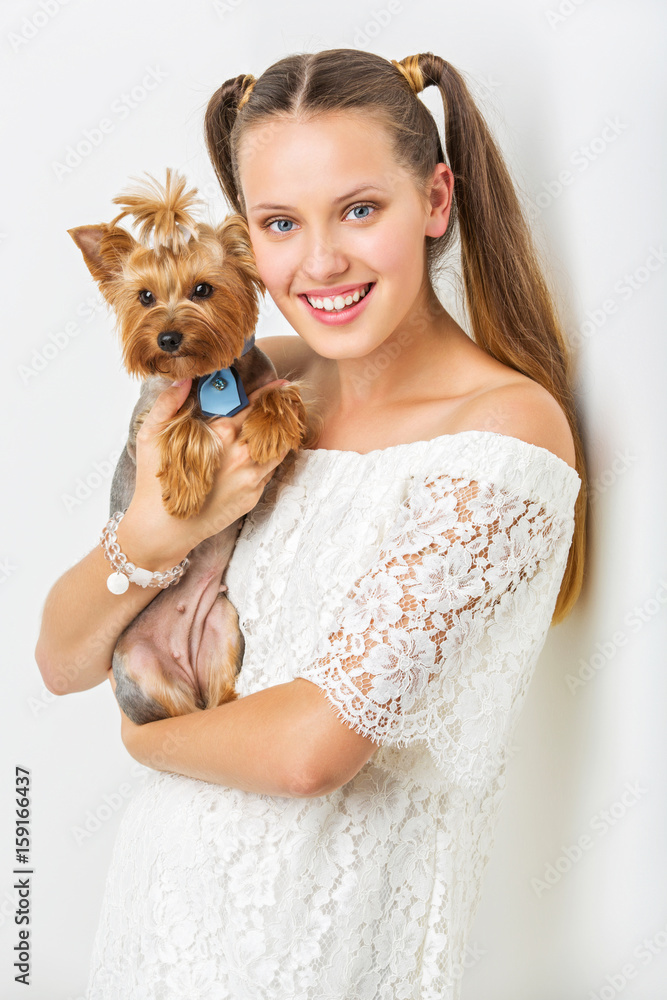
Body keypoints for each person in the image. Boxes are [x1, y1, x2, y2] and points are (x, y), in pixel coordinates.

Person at [35, 48, 587, 999]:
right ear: (245, 238)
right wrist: (159, 535)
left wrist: (142, 741)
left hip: (320, 955)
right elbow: (62, 660)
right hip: (152, 924)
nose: (320, 261)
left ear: (437, 202)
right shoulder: (246, 386)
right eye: (281, 223)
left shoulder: (502, 432)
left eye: (360, 209)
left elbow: (306, 753)